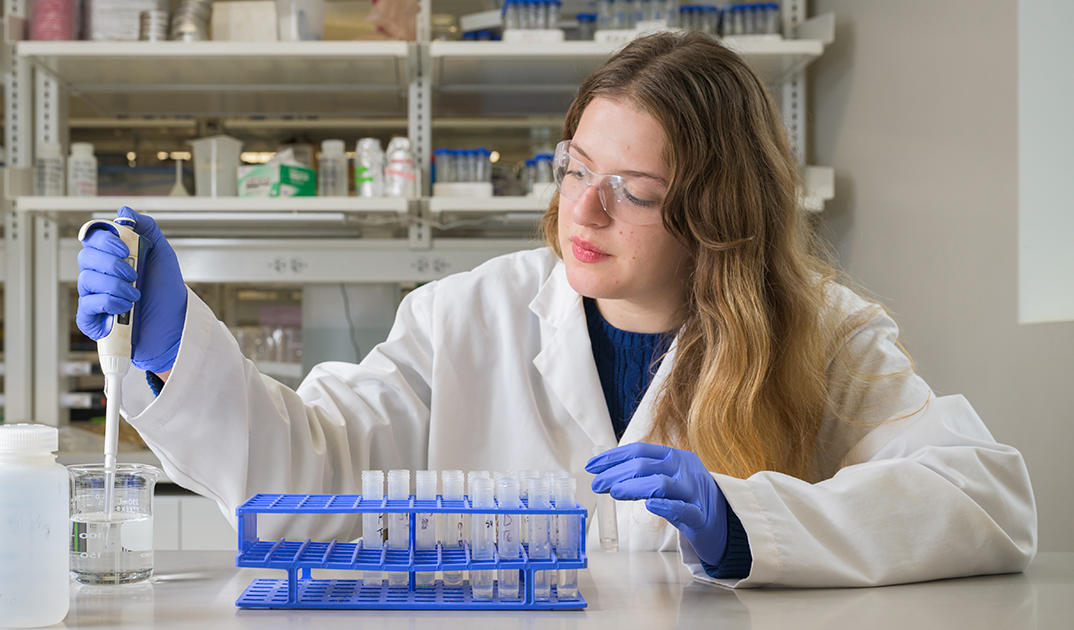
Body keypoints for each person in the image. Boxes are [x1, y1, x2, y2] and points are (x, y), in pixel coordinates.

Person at [75, 31, 1037, 588]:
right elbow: (312, 470)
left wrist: (745, 520)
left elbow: (984, 498)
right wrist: (175, 345)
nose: (582, 209)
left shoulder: (821, 334)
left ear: (716, 210)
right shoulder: (463, 319)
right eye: (576, 167)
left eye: (634, 187)